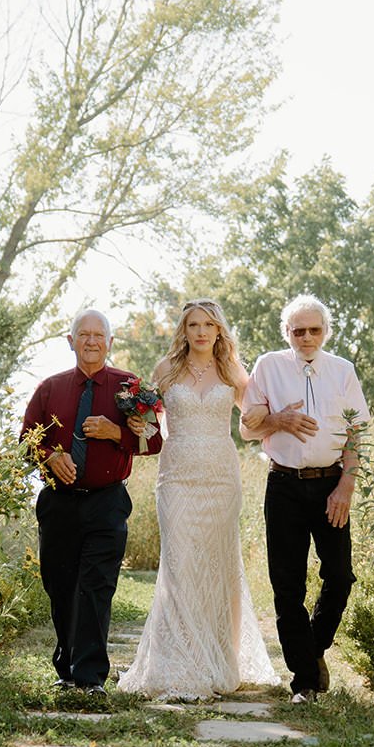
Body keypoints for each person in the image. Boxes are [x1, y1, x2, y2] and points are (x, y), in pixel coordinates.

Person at [118, 300, 280, 699]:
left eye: (209, 324)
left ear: (219, 330)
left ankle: (217, 658)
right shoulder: (165, 370)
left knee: (217, 563)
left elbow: (252, 420)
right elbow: (148, 426)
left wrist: (277, 419)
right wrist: (137, 421)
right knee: (179, 563)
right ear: (184, 330)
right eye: (194, 324)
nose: (202, 332)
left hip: (222, 479)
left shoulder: (232, 372)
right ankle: (176, 659)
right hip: (176, 477)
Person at [21, 309, 161, 694]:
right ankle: (66, 669)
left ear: (110, 343)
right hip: (58, 502)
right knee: (61, 584)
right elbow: (26, 441)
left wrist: (116, 431)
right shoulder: (49, 388)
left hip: (107, 501)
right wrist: (49, 456)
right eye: (83, 334)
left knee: (97, 585)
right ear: (71, 342)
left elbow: (153, 441)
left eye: (99, 335)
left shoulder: (131, 388)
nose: (92, 341)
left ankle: (90, 676)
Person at [240, 294, 370, 703]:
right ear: (287, 333)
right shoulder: (268, 366)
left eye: (314, 329)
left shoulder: (343, 371)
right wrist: (278, 420)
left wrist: (346, 486)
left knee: (340, 576)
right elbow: (247, 429)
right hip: (284, 487)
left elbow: (355, 434)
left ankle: (312, 651)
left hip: (332, 484)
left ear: (326, 332)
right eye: (299, 330)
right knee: (287, 584)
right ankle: (304, 682)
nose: (307, 337)